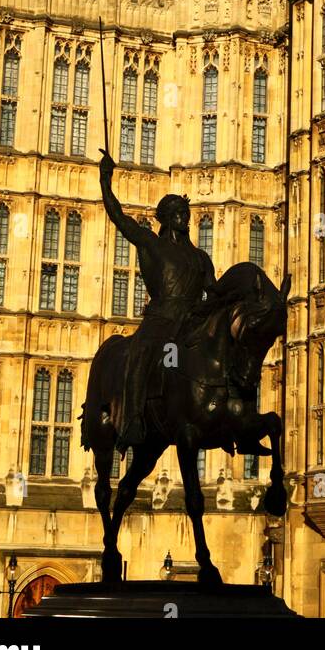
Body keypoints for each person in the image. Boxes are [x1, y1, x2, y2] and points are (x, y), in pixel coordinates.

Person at [99, 151, 216, 450]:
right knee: (141, 354)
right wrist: (105, 179)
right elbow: (118, 217)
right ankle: (133, 420)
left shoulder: (201, 259)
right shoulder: (151, 243)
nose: (184, 217)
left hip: (189, 323)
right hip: (161, 321)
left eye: (185, 212)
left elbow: (213, 295)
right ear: (166, 218)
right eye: (178, 212)